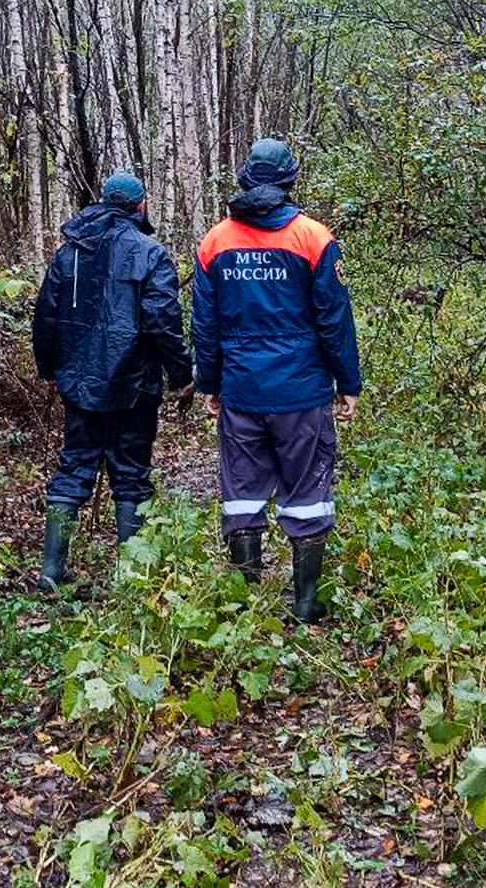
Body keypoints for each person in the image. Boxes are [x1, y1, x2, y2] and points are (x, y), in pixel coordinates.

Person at [192, 138, 362, 623]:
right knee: (307, 492)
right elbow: (334, 319)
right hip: (301, 392)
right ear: (289, 180)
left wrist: (211, 385)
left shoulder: (216, 241)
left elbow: (204, 324)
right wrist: (347, 383)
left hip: (243, 391)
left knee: (242, 492)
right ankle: (306, 604)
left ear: (247, 177)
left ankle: (245, 609)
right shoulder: (313, 238)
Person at [30, 171, 194, 590]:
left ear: (105, 202)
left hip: (82, 383)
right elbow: (163, 320)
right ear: (140, 206)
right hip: (134, 386)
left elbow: (45, 316)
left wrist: (52, 370)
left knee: (75, 467)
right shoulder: (150, 253)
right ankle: (132, 579)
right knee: (131, 474)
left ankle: (51, 572)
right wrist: (182, 375)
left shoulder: (71, 252)